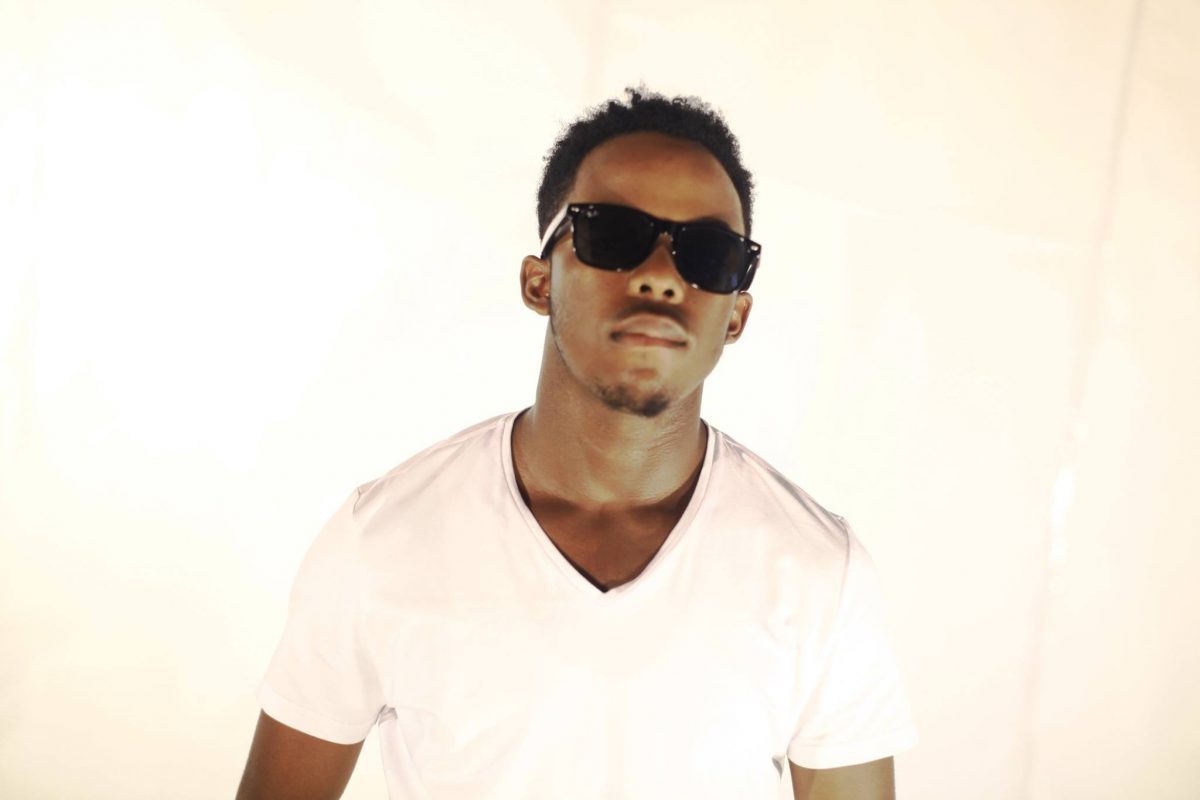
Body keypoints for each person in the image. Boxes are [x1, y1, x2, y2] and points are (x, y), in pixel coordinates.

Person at [236, 87, 917, 800]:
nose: (660, 277)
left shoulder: (819, 573)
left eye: (708, 254)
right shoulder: (382, 542)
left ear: (736, 314)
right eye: (613, 235)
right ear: (539, 281)